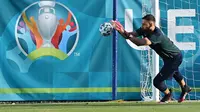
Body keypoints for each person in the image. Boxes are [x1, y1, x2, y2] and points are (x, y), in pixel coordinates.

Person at [111, 14, 191, 103]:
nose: (142, 26)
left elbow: (139, 43)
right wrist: (120, 30)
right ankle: (185, 88)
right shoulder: (144, 29)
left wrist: (128, 36)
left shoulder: (157, 34)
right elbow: (129, 35)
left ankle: (168, 94)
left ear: (151, 24)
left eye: (144, 24)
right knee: (175, 71)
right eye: (142, 23)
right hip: (169, 57)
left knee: (157, 82)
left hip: (174, 58)